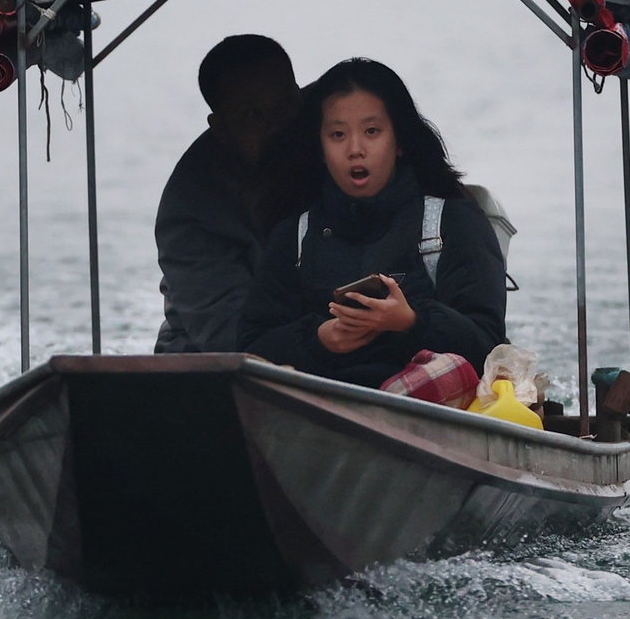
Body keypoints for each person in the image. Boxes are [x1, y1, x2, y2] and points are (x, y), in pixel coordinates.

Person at [238, 59, 506, 386]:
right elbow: (250, 348)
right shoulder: (294, 234)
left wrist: (411, 322)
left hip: (429, 418)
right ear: (320, 148)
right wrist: (319, 339)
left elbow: (489, 346)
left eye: (372, 131)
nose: (355, 149)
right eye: (337, 134)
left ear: (401, 141)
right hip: (317, 416)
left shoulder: (452, 222)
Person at [152, 35, 299, 353]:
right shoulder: (189, 211)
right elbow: (231, 337)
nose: (278, 126)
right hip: (210, 365)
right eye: (252, 116)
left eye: (285, 105)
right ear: (220, 127)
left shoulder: (338, 134)